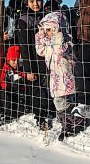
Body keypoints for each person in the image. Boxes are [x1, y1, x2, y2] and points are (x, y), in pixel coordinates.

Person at [35, 12, 86, 141]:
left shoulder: (66, 43)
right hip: (55, 79)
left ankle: (69, 126)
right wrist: (40, 34)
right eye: (45, 30)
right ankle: (67, 123)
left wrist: (58, 35)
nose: (47, 33)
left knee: (65, 102)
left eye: (50, 30)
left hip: (65, 78)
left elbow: (60, 50)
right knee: (59, 103)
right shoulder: (47, 44)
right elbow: (39, 51)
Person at [14, 0, 52, 129]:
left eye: (38, 0)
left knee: (48, 88)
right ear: (26, 2)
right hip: (33, 61)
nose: (36, 4)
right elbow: (24, 46)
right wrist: (29, 69)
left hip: (47, 59)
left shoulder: (46, 18)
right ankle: (40, 117)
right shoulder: (23, 20)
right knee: (36, 90)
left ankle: (50, 111)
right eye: (31, 1)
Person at [0, 45, 30, 123]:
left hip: (18, 91)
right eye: (13, 60)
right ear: (9, 60)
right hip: (7, 90)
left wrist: (23, 76)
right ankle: (8, 114)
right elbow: (2, 80)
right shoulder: (5, 68)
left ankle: (18, 112)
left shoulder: (20, 67)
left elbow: (23, 74)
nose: (16, 63)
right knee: (6, 97)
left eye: (17, 60)